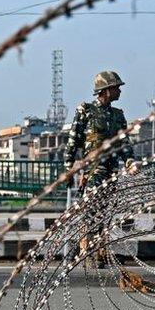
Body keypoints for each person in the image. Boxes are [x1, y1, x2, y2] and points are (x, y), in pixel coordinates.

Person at [62, 70, 134, 266]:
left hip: (111, 170)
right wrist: (68, 167)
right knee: (92, 210)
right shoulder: (85, 110)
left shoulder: (118, 115)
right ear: (106, 90)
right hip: (94, 170)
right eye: (116, 87)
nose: (119, 91)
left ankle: (100, 251)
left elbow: (124, 143)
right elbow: (74, 140)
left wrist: (130, 161)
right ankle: (87, 251)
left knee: (105, 211)